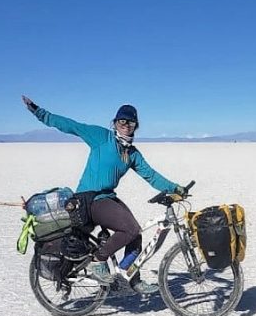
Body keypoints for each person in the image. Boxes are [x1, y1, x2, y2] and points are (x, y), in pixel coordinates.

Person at [21, 95, 187, 293]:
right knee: (130, 229)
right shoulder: (101, 137)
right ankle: (98, 260)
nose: (126, 125)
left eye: (130, 122)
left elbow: (151, 175)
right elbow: (70, 125)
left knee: (135, 236)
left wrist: (175, 188)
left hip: (107, 197)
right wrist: (39, 112)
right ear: (115, 123)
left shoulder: (131, 154)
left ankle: (129, 277)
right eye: (122, 121)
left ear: (136, 125)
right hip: (89, 199)